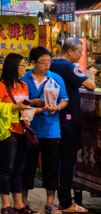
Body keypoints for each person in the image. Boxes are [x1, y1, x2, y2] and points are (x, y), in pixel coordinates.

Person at [0, 53, 43, 214]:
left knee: (19, 169)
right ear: (14, 66)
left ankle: (19, 205)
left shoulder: (23, 86)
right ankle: (5, 206)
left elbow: (24, 107)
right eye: (22, 65)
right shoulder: (1, 85)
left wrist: (37, 107)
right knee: (7, 169)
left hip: (23, 130)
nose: (25, 68)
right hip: (8, 132)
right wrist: (14, 107)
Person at [49, 38, 96, 213]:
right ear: (70, 52)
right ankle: (66, 202)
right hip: (68, 120)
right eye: (79, 52)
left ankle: (51, 201)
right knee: (67, 161)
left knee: (54, 161)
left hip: (53, 120)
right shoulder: (68, 67)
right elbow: (91, 86)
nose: (81, 54)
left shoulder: (51, 64)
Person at [20, 46, 68, 214]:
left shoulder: (56, 78)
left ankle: (50, 202)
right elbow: (20, 102)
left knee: (51, 166)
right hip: (29, 129)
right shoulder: (24, 79)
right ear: (33, 62)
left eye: (49, 61)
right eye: (43, 62)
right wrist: (35, 102)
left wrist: (58, 107)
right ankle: (23, 201)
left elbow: (64, 100)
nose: (47, 65)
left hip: (51, 129)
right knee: (27, 166)